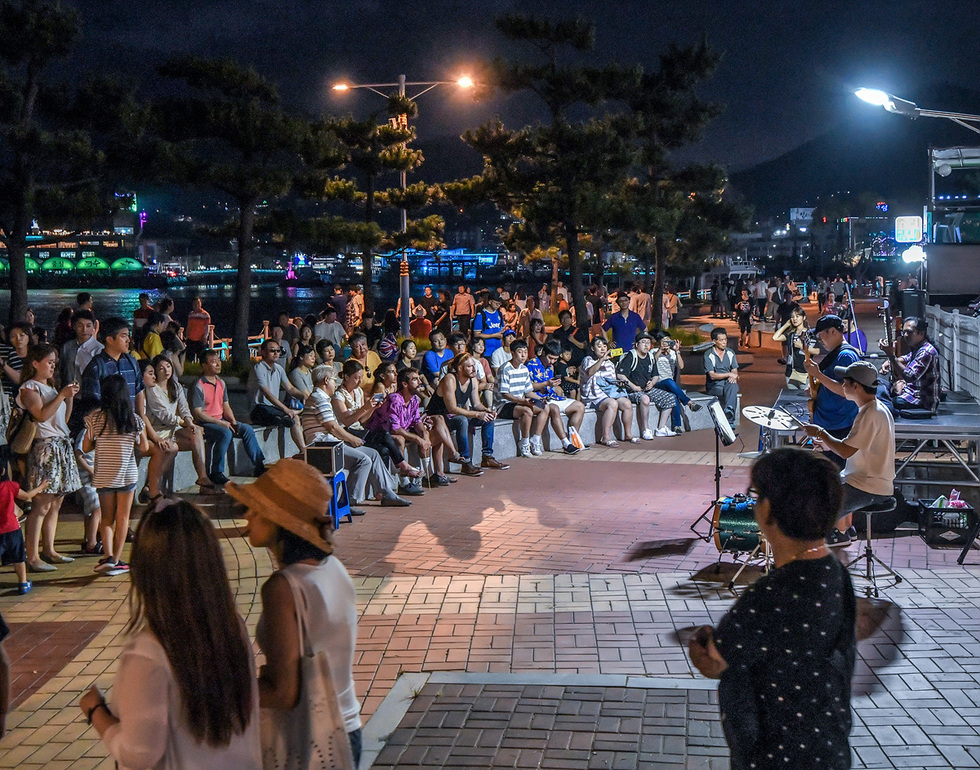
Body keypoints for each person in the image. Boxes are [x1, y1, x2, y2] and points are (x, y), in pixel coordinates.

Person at [688, 448, 855, 770]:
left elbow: (716, 657)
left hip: (777, 754)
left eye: (757, 494)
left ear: (769, 510)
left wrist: (701, 645)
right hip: (830, 747)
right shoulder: (835, 573)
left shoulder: (771, 593)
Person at [79, 499, 261, 769]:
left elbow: (139, 754)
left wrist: (96, 711)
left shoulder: (148, 651)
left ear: (146, 570)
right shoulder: (230, 627)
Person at [228, 460, 362, 767]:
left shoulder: (283, 588)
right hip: (347, 727)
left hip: (310, 740)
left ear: (280, 522)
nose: (248, 515)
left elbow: (284, 692)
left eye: (257, 509)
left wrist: (213, 695)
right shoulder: (334, 569)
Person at [804, 360, 896, 547]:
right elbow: (854, 446)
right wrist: (827, 446)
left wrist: (821, 433)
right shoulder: (874, 409)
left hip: (868, 487)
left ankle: (817, 554)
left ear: (856, 386)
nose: (842, 386)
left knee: (816, 512)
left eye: (845, 382)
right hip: (862, 481)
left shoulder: (870, 414)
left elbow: (846, 451)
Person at [303, 366, 413, 507]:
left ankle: (388, 493)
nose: (335, 383)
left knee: (373, 454)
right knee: (363, 460)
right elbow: (332, 426)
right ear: (326, 381)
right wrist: (351, 439)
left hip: (331, 443)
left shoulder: (322, 398)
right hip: (322, 446)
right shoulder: (319, 398)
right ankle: (349, 501)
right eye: (333, 380)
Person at [17, 344, 82, 573]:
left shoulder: (51, 387)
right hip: (45, 448)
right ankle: (32, 555)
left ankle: (50, 549)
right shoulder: (29, 388)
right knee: (41, 505)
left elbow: (62, 418)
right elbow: (41, 415)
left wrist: (68, 397)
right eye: (49, 361)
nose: (53, 365)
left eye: (54, 362)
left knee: (56, 503)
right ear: (35, 363)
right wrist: (62, 395)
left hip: (61, 444)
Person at [83, 374, 150, 574]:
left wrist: (99, 442)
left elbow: (86, 447)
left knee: (106, 519)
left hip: (104, 475)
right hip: (127, 475)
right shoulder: (133, 419)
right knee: (123, 519)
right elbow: (145, 446)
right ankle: (118, 560)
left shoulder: (95, 417)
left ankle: (108, 556)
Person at [189, 350, 266, 485]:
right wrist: (220, 423)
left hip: (220, 420)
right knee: (225, 433)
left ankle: (258, 465)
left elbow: (226, 405)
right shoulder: (198, 385)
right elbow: (197, 413)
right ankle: (216, 472)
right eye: (213, 362)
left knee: (247, 429)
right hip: (205, 423)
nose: (218, 364)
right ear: (204, 366)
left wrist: (233, 422)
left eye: (218, 361)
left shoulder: (221, 383)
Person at [144, 356, 218, 495]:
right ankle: (151, 484)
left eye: (168, 366)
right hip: (158, 430)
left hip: (173, 429)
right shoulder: (152, 389)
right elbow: (164, 415)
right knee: (175, 447)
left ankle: (202, 477)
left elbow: (184, 408)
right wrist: (183, 422)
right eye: (161, 368)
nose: (166, 370)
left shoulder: (175, 386)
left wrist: (190, 422)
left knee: (195, 432)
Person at [427, 353, 509, 473]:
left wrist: (487, 410)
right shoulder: (450, 379)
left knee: (488, 419)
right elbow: (452, 409)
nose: (474, 369)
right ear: (460, 368)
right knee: (462, 420)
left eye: (474, 366)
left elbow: (476, 404)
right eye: (470, 366)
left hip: (456, 415)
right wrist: (477, 414)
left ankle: (487, 456)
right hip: (440, 417)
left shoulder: (473, 380)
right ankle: (466, 461)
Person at [803, 315, 861, 468]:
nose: (820, 340)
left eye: (822, 335)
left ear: (833, 331)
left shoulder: (846, 356)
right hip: (829, 422)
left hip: (838, 424)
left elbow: (846, 391)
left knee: (834, 471)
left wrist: (818, 375)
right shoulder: (836, 354)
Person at [525, 340, 586, 454]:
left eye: (555, 359)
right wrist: (546, 384)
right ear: (543, 353)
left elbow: (550, 384)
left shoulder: (551, 367)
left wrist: (553, 384)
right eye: (550, 358)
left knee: (580, 406)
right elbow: (528, 387)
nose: (552, 361)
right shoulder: (531, 364)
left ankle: (573, 440)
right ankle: (565, 443)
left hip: (552, 396)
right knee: (554, 409)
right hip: (538, 398)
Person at [247, 339, 306, 456]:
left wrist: (304, 396)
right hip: (258, 408)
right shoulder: (259, 368)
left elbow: (290, 388)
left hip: (273, 408)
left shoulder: (279, 368)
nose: (276, 353)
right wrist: (285, 409)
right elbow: (266, 393)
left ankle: (303, 449)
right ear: (263, 352)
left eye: (278, 351)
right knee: (288, 416)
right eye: (272, 351)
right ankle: (303, 449)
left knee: (293, 417)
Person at [616, 333, 679, 438]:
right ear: (637, 344)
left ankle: (661, 428)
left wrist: (652, 383)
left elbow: (655, 376)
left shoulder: (650, 356)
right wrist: (633, 387)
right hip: (632, 391)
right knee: (645, 399)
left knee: (670, 398)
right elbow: (620, 375)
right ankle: (645, 430)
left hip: (647, 389)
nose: (646, 345)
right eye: (643, 342)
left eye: (648, 343)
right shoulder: (631, 356)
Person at [877, 316, 941, 415]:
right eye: (904, 332)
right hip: (911, 392)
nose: (905, 335)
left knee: (888, 400)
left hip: (922, 401)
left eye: (909, 332)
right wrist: (889, 362)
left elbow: (910, 377)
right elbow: (906, 358)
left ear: (921, 333)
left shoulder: (926, 352)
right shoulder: (917, 347)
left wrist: (891, 355)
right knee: (878, 383)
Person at [496, 339, 548, 458]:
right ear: (512, 353)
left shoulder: (524, 369)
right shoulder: (505, 369)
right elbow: (505, 394)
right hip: (504, 405)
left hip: (519, 403)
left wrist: (541, 398)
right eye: (520, 352)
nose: (523, 355)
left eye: (525, 352)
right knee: (527, 410)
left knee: (545, 407)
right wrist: (523, 401)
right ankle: (524, 442)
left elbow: (528, 391)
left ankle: (535, 439)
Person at [580, 337, 636, 446]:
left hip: (608, 394)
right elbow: (589, 373)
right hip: (593, 397)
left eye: (604, 346)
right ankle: (605, 437)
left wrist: (618, 384)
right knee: (612, 404)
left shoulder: (610, 364)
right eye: (599, 346)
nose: (602, 349)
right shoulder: (588, 360)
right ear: (592, 348)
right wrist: (602, 360)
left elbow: (611, 383)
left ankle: (628, 434)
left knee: (627, 403)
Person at [0, 475, 48, 594]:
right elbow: (27, 496)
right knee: (19, 557)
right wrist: (41, 486)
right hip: (13, 529)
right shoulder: (9, 485)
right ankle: (23, 583)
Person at [651, 334, 701, 433]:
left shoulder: (673, 354)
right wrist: (660, 350)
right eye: (664, 342)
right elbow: (652, 362)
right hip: (657, 382)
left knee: (674, 396)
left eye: (669, 342)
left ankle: (677, 426)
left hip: (670, 385)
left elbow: (681, 366)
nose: (666, 344)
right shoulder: (654, 352)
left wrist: (677, 351)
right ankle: (689, 402)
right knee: (669, 382)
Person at [772, 304, 816, 390]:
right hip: (791, 372)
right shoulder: (791, 334)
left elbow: (817, 351)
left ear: (803, 318)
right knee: (792, 397)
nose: (794, 319)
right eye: (792, 317)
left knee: (805, 399)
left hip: (805, 373)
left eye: (797, 316)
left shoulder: (810, 334)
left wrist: (802, 346)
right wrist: (786, 325)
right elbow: (775, 337)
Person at [57, 310, 103, 388]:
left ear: (93, 327)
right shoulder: (67, 347)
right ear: (74, 326)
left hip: (88, 393)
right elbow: (61, 369)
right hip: (68, 393)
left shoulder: (99, 349)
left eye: (88, 326)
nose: (84, 330)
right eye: (80, 326)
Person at [704, 328, 739, 424]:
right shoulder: (709, 355)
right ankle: (730, 420)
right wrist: (729, 374)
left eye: (725, 339)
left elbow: (735, 372)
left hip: (728, 383)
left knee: (732, 385)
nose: (724, 342)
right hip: (714, 385)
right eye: (721, 340)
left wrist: (733, 376)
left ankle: (729, 411)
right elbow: (712, 375)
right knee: (732, 388)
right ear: (714, 341)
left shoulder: (730, 353)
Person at [472, 291, 506, 359]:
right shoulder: (481, 315)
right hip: (486, 351)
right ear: (490, 302)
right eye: (496, 303)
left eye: (499, 304)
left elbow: (502, 328)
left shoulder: (499, 314)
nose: (498, 305)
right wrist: (494, 335)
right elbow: (476, 334)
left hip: (498, 350)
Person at [347, 332, 381, 397]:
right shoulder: (350, 363)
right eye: (357, 346)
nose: (362, 348)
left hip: (377, 393)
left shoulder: (373, 355)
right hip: (361, 397)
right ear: (352, 348)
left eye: (363, 344)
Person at [184, 296, 211, 362]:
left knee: (202, 359)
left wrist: (205, 337)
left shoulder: (205, 315)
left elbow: (207, 327)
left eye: (198, 303)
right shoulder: (191, 314)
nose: (196, 305)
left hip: (200, 340)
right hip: (191, 339)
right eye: (195, 304)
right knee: (189, 359)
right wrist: (187, 337)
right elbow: (189, 326)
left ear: (201, 303)